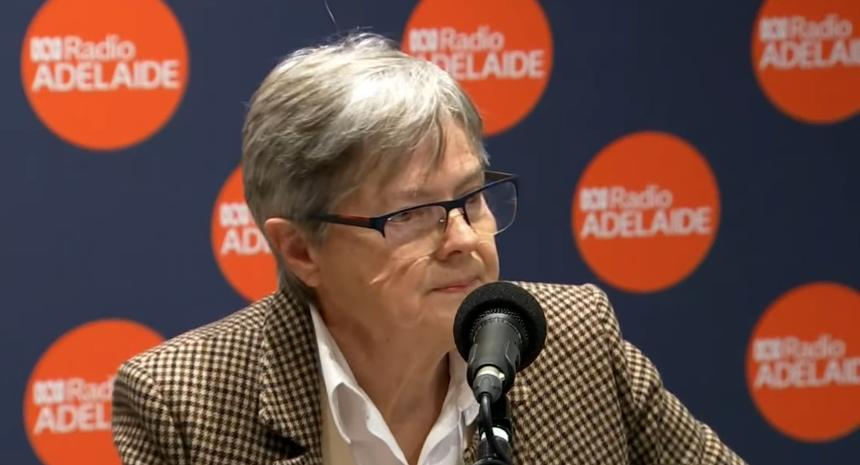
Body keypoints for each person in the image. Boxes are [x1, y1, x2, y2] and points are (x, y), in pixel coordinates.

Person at [111, 32, 748, 465]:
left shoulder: (574, 342)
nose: (466, 240)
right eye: (414, 213)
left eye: (471, 198)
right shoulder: (186, 407)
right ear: (302, 249)